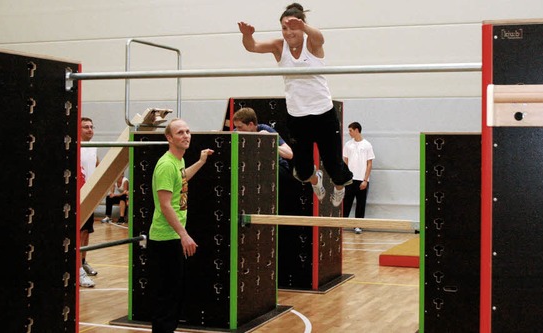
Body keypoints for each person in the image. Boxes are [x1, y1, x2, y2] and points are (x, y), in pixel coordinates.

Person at [238, 3, 353, 207]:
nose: (288, 32)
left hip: (323, 113)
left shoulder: (312, 44)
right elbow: (252, 46)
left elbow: (321, 38)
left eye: (293, 27)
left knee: (334, 164)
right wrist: (247, 34)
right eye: (284, 28)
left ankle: (339, 187)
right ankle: (315, 181)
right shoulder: (278, 46)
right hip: (297, 115)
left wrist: (304, 27)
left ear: (303, 27)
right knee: (303, 169)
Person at [148, 118, 214, 333]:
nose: (186, 135)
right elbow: (165, 205)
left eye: (187, 131)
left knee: (174, 292)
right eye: (180, 133)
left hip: (173, 237)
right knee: (166, 295)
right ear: (169, 138)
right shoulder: (166, 165)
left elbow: (182, 179)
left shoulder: (178, 162)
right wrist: (184, 235)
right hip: (165, 238)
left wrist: (201, 162)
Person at [342, 122, 375, 234]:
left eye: (350, 130)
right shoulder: (348, 145)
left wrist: (365, 180)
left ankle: (358, 225)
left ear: (357, 130)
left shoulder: (367, 145)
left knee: (361, 203)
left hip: (362, 180)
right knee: (346, 202)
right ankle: (341, 224)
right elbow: (345, 162)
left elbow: (369, 163)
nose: (349, 133)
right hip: (350, 179)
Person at [80, 117, 98, 287]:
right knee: (80, 233)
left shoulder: (92, 146)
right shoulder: (76, 147)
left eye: (91, 127)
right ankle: (77, 269)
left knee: (86, 232)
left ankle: (83, 261)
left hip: (92, 194)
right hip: (80, 196)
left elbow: (96, 163)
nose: (90, 130)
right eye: (86, 127)